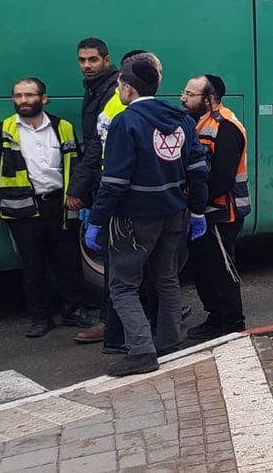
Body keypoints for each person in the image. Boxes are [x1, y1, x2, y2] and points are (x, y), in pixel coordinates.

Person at [84, 53, 209, 376]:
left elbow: (114, 181)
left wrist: (96, 221)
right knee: (166, 280)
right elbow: (197, 169)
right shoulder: (181, 119)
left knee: (123, 286)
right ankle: (169, 343)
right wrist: (197, 211)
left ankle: (141, 351)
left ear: (126, 87)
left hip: (133, 219)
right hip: (173, 214)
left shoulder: (126, 121)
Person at [0, 79, 93, 337]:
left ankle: (73, 311)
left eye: (29, 95)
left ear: (43, 99)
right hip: (22, 209)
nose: (23, 100)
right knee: (33, 266)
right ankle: (41, 317)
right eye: (18, 96)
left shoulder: (63, 128)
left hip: (59, 204)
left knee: (67, 262)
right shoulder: (3, 130)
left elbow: (77, 165)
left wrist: (81, 197)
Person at [181, 74, 249, 340]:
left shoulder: (226, 127)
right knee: (203, 267)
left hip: (223, 212)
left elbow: (222, 177)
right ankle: (215, 316)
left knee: (221, 269)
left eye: (190, 94)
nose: (183, 98)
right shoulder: (201, 123)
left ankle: (231, 320)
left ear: (209, 99)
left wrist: (196, 202)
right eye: (184, 92)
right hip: (206, 210)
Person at [67, 38, 123, 344]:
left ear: (106, 60)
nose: (86, 65)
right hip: (106, 183)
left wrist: (77, 188)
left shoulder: (110, 93)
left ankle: (109, 324)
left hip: (112, 187)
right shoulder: (95, 89)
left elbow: (95, 148)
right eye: (82, 60)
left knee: (114, 263)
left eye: (92, 60)